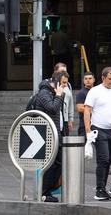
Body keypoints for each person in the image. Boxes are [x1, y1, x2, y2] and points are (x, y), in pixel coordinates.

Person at [84, 67, 111, 201]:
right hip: (99, 129)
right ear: (103, 78)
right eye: (110, 78)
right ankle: (99, 189)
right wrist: (88, 131)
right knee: (103, 159)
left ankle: (102, 188)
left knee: (108, 160)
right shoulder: (95, 91)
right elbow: (87, 111)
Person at [35, 70, 68, 202]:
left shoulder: (53, 92)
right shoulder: (44, 93)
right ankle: (44, 192)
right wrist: (59, 95)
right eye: (63, 83)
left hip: (56, 133)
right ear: (56, 83)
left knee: (58, 163)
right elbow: (53, 108)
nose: (65, 86)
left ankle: (47, 190)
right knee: (52, 164)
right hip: (48, 134)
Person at [54, 63, 74, 136]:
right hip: (56, 118)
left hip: (65, 119)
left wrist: (70, 119)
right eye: (61, 71)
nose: (63, 74)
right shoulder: (53, 84)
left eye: (65, 71)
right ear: (56, 72)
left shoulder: (68, 85)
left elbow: (70, 103)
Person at [75, 71, 95, 136]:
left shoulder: (97, 91)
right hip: (84, 126)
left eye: (90, 78)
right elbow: (80, 108)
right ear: (83, 81)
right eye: (86, 79)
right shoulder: (81, 93)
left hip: (97, 125)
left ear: (94, 80)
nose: (88, 80)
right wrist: (96, 111)